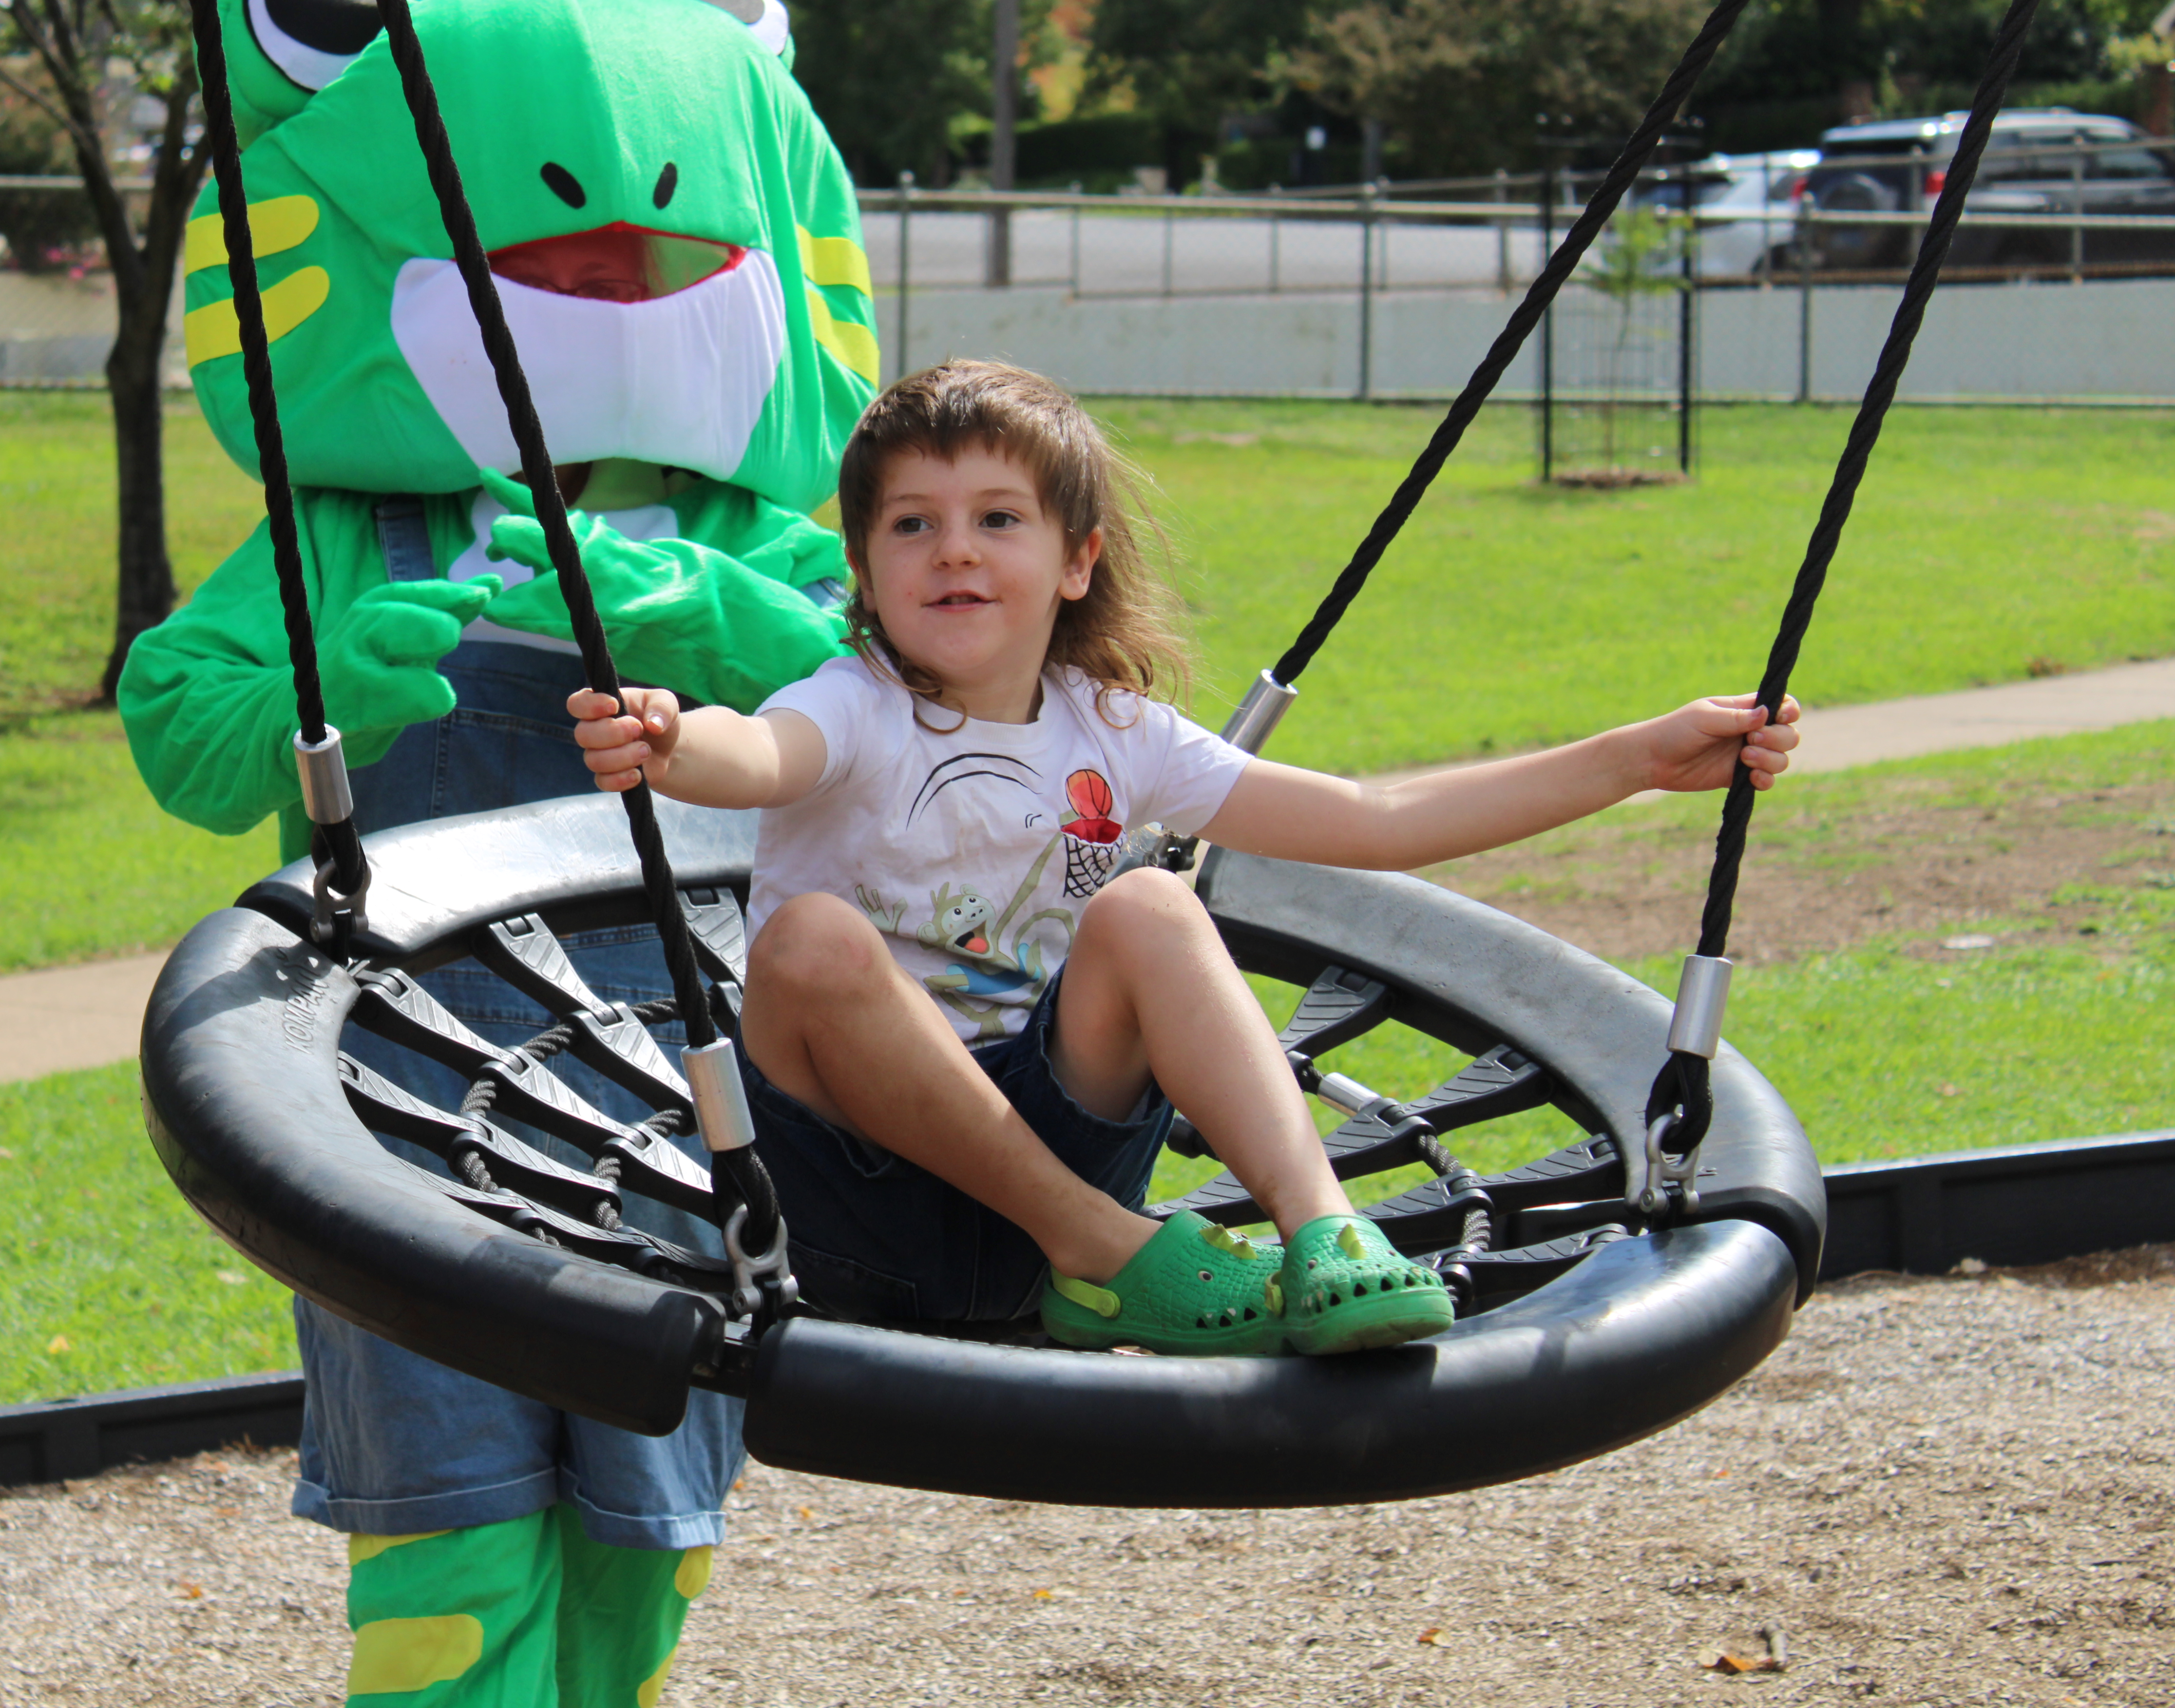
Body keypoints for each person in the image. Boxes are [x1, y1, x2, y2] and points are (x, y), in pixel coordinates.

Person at [119, 0, 881, 1704]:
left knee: (654, 1517)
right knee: (447, 1517)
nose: (622, 276)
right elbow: (181, 715)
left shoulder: (751, 528)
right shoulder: (351, 531)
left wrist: (689, 603)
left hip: (689, 1093)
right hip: (403, 1090)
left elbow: (882, 713)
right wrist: (330, 710)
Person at [566, 359, 1803, 1357]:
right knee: (807, 939)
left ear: (1076, 559)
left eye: (998, 518)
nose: (954, 550)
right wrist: (674, 740)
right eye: (913, 525)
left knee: (1154, 902)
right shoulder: (853, 706)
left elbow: (1375, 818)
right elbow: (759, 754)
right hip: (859, 1196)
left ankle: (1327, 1234)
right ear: (867, 568)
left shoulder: (1113, 733)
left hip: (1051, 1129)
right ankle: (1100, 1247)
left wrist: (1636, 757)